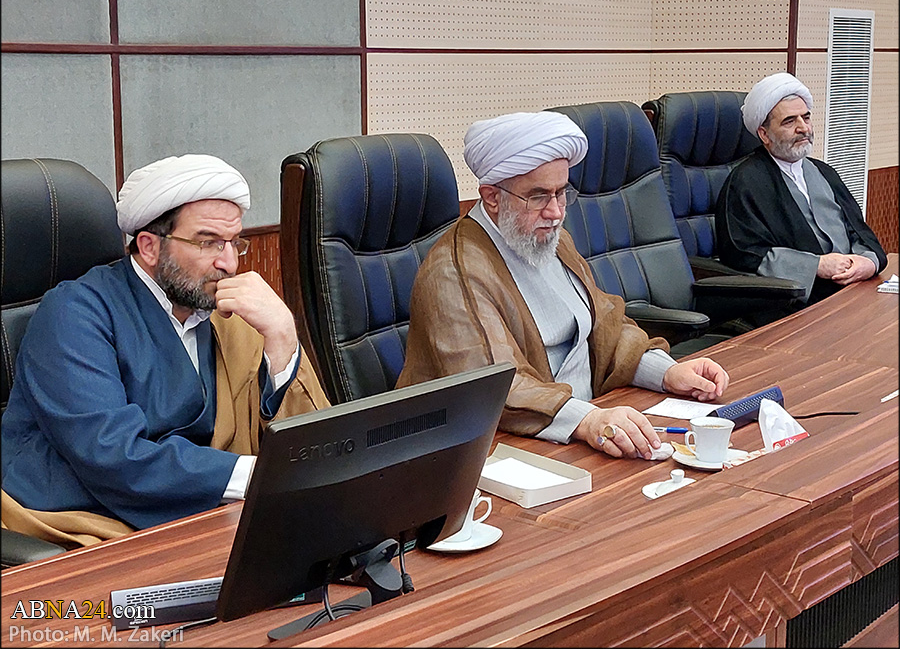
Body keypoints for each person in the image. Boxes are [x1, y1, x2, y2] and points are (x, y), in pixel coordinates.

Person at [1, 154, 329, 547]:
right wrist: (258, 476)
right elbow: (111, 454)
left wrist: (282, 337)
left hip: (204, 508)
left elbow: (304, 444)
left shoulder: (227, 312)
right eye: (208, 242)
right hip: (89, 520)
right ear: (150, 247)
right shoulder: (74, 313)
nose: (228, 263)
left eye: (234, 243)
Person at [396, 112, 730, 460]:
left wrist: (668, 372)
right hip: (507, 450)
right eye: (539, 196)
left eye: (561, 193)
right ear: (492, 197)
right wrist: (588, 420)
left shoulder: (549, 240)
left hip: (586, 426)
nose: (555, 212)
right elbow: (494, 386)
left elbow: (605, 329)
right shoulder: (453, 272)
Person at [716, 72, 887, 305]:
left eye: (806, 118)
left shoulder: (824, 172)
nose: (803, 128)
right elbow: (742, 252)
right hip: (795, 300)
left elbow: (857, 230)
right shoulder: (745, 182)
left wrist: (867, 261)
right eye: (789, 121)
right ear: (764, 134)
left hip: (853, 288)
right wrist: (816, 266)